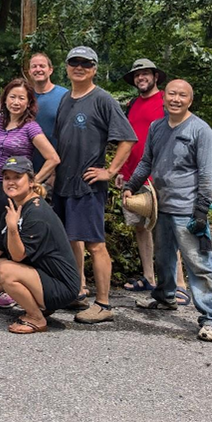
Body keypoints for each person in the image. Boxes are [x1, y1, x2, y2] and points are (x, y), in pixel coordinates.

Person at [124, 79, 212, 342]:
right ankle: (165, 297)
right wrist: (132, 185)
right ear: (164, 98)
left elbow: (206, 175)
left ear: (190, 100)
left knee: (199, 264)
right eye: (172, 94)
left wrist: (202, 210)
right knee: (163, 259)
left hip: (188, 210)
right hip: (161, 206)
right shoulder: (157, 127)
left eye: (182, 95)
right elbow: (147, 161)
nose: (176, 99)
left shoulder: (200, 130)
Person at [52, 46, 137, 324]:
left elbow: (127, 138)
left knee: (95, 244)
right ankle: (76, 291)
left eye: (86, 64)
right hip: (64, 183)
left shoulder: (103, 99)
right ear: (66, 66)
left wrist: (110, 171)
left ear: (95, 69)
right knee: (69, 240)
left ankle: (103, 304)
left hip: (87, 186)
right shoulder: (65, 99)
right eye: (74, 62)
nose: (79, 67)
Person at [0, 156, 81, 334]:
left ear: (31, 181)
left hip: (61, 286)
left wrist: (13, 228)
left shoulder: (36, 213)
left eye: (17, 177)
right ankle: (38, 304)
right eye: (7, 178)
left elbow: (18, 256)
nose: (11, 182)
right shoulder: (14, 205)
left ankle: (36, 317)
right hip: (40, 275)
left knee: (7, 270)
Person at [0, 78, 60, 308]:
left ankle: (13, 289)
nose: (16, 102)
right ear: (5, 99)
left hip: (14, 190)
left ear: (29, 102)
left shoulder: (30, 127)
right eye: (12, 97)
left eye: (21, 98)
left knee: (12, 236)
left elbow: (53, 158)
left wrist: (32, 184)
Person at [118, 58, 189, 303]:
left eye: (146, 74)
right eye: (137, 75)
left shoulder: (165, 102)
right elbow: (128, 139)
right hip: (133, 176)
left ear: (155, 76)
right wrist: (122, 172)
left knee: (165, 229)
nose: (141, 78)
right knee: (140, 227)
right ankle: (149, 277)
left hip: (159, 177)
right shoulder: (132, 104)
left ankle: (178, 283)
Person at [27, 52, 68, 173]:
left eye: (42, 66)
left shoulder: (64, 96)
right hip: (28, 164)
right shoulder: (24, 96)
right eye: (34, 66)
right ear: (29, 71)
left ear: (50, 70)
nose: (38, 69)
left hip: (58, 163)